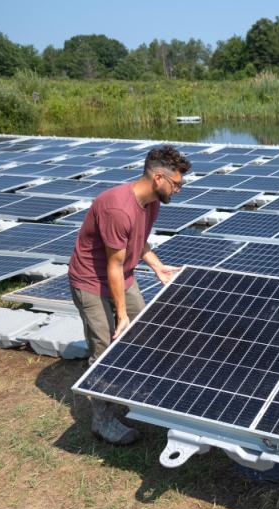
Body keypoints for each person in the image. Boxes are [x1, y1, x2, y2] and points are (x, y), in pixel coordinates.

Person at [68, 144, 190, 444]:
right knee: (106, 348)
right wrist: (120, 315)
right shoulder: (117, 208)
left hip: (123, 275)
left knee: (145, 333)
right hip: (92, 281)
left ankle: (135, 392)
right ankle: (102, 420)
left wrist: (158, 267)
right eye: (176, 184)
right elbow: (113, 264)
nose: (178, 190)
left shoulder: (152, 203)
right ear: (158, 178)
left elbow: (138, 241)